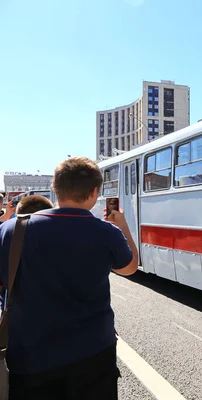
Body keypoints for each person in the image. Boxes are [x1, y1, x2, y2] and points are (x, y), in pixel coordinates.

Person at [0, 157, 139, 399]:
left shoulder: (12, 230)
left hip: (29, 357)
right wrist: (123, 225)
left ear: (55, 188)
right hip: (94, 353)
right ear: (95, 192)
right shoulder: (107, 232)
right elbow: (129, 268)